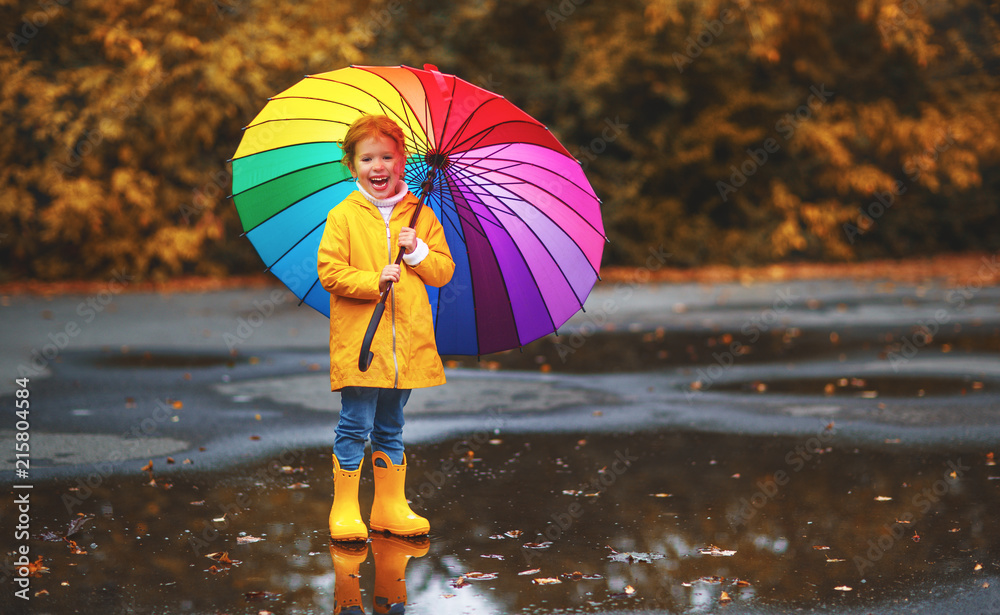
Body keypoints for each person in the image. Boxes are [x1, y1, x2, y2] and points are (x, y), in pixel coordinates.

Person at [317, 114, 455, 541]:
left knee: (391, 426)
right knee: (355, 424)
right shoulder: (343, 216)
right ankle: (345, 508)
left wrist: (416, 253)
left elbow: (443, 271)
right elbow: (330, 272)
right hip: (363, 342)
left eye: (387, 157)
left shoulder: (421, 216)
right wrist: (372, 279)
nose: (378, 167)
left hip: (405, 345)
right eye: (367, 158)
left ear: (402, 161)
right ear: (351, 164)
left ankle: (389, 507)